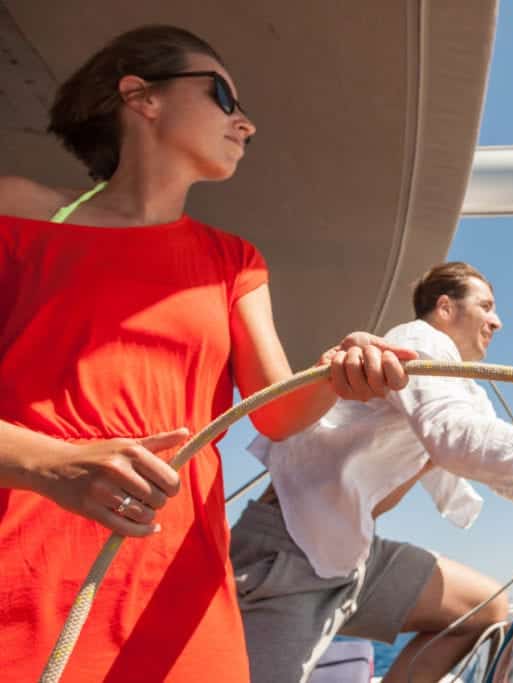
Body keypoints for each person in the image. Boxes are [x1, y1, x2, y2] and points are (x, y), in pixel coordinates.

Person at [0, 25, 414, 683]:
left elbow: (276, 412)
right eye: (223, 95)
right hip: (24, 585)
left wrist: (339, 372)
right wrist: (54, 464)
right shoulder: (17, 214)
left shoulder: (234, 261)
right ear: (141, 96)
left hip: (179, 595)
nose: (246, 123)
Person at [232, 261, 513, 683]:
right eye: (486, 306)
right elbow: (457, 441)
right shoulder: (417, 342)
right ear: (444, 308)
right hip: (290, 546)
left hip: (348, 550)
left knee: (482, 609)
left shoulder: (460, 390)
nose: (497, 322)